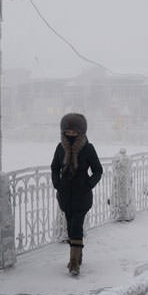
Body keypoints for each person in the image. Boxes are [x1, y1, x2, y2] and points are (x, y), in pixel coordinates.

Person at [50, 113, 103, 276]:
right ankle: (78, 254)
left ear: (81, 131)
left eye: (74, 132)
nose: (71, 134)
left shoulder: (88, 148)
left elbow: (98, 170)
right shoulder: (60, 148)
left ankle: (73, 263)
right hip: (66, 196)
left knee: (76, 227)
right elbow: (54, 167)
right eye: (68, 132)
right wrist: (57, 184)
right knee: (70, 227)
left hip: (82, 195)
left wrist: (88, 184)